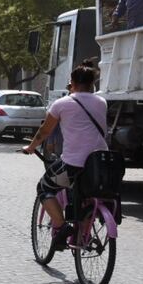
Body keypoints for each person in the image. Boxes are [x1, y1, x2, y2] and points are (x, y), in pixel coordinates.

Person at [22, 63, 108, 250]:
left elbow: (44, 131)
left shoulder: (62, 104)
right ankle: (81, 236)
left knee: (44, 187)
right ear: (92, 83)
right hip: (99, 164)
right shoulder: (102, 102)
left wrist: (31, 147)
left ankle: (62, 227)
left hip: (73, 164)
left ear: (73, 83)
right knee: (86, 196)